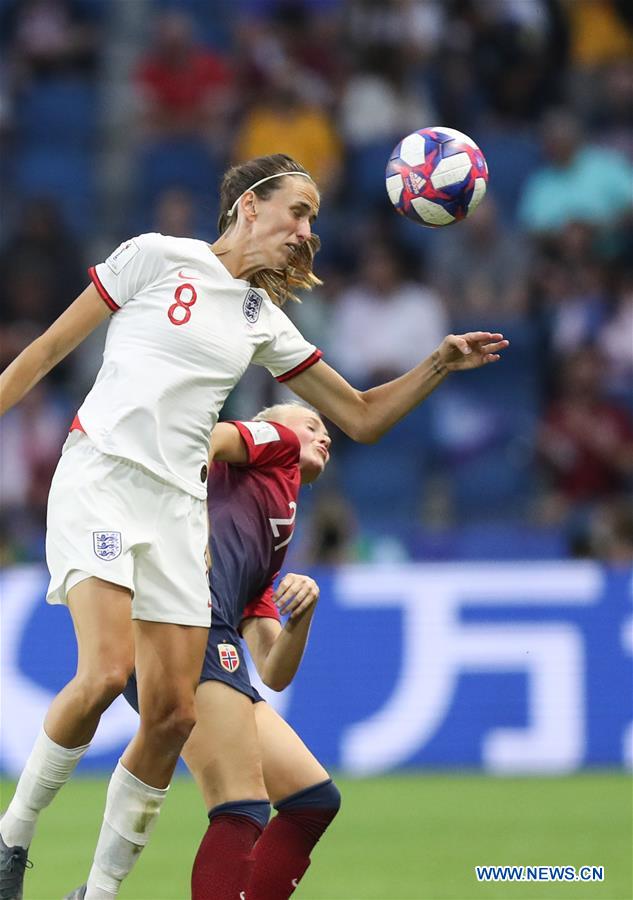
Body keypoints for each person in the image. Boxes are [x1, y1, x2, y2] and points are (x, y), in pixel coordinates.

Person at [0, 151, 508, 900]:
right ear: (247, 206)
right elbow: (45, 350)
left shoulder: (261, 319)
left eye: (313, 219)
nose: (307, 231)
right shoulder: (153, 256)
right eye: (297, 212)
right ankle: (12, 840)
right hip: (101, 476)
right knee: (107, 672)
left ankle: (96, 894)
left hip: (174, 512)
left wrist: (437, 361)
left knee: (170, 715)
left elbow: (361, 417)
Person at [113, 401, 338, 900]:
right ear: (276, 427)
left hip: (200, 626)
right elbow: (208, 437)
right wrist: (190, 521)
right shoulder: (271, 446)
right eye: (312, 425)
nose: (325, 436)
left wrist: (302, 616)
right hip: (183, 616)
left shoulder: (269, 535)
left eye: (327, 432)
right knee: (240, 805)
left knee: (311, 798)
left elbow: (274, 671)